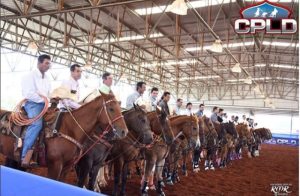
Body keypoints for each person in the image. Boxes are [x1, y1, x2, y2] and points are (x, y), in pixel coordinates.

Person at [21, 54, 52, 167]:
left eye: (49, 63)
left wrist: (50, 99)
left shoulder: (47, 78)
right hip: (32, 103)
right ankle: (25, 156)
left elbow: (48, 93)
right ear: (39, 63)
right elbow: (28, 93)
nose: (48, 66)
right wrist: (44, 100)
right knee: (36, 124)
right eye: (46, 63)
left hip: (45, 104)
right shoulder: (30, 76)